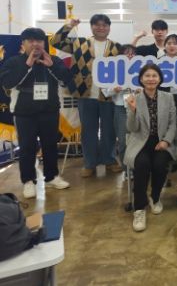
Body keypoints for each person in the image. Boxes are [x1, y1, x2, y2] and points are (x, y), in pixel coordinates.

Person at [0, 28, 72, 199]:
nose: (35, 44)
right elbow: (8, 83)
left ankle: (51, 177)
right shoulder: (14, 61)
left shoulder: (53, 60)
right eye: (31, 41)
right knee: (27, 147)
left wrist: (52, 66)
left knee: (50, 145)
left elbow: (66, 80)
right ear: (23, 44)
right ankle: (28, 181)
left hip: (49, 110)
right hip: (24, 112)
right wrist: (27, 65)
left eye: (39, 41)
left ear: (44, 43)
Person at [50, 14, 122, 177]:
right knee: (88, 131)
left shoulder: (117, 47)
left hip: (109, 96)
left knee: (109, 130)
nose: (101, 28)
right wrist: (69, 26)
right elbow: (55, 42)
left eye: (104, 25)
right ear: (91, 27)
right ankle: (90, 163)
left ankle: (109, 160)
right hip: (85, 93)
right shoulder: (79, 43)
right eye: (97, 24)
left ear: (109, 28)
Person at [124, 64, 177, 232]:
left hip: (161, 141)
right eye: (147, 76)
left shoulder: (168, 97)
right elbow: (132, 128)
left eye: (154, 75)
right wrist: (132, 110)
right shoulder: (134, 98)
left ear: (160, 79)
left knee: (160, 164)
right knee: (141, 164)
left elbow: (173, 124)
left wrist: (166, 141)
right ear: (141, 79)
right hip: (141, 142)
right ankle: (139, 208)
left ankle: (155, 197)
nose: (151, 79)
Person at [102, 44, 137, 171]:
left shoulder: (141, 69)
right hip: (121, 108)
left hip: (138, 108)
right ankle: (126, 169)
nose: (130, 56)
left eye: (132, 53)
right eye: (126, 53)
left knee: (139, 139)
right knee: (123, 140)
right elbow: (105, 92)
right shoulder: (113, 70)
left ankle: (139, 168)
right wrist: (114, 89)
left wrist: (141, 90)